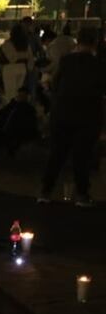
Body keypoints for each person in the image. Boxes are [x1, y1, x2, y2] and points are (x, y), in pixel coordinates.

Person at [39, 27, 105, 207]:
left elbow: (55, 83)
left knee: (57, 154)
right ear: (94, 44)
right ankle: (82, 195)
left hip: (63, 112)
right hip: (88, 115)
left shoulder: (67, 61)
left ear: (78, 41)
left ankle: (46, 191)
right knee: (82, 156)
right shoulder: (99, 64)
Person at [0, 87, 38, 158]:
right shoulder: (13, 104)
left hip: (16, 129)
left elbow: (29, 122)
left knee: (2, 134)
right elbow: (3, 112)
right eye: (20, 95)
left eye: (23, 96)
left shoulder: (28, 108)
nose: (20, 97)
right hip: (6, 127)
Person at [0, 24, 32, 107]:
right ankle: (18, 109)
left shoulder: (8, 43)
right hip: (22, 68)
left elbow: (12, 58)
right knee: (19, 92)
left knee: (10, 93)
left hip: (10, 68)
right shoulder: (26, 44)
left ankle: (10, 110)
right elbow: (30, 57)